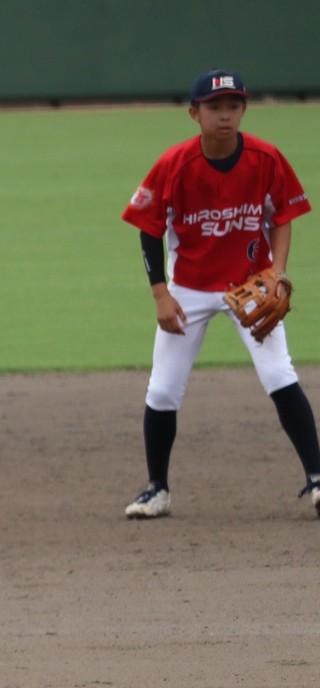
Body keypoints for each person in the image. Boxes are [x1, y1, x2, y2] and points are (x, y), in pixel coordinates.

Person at [121, 68, 320, 519]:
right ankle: (158, 489)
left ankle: (317, 478)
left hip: (251, 286)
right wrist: (160, 295)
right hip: (188, 289)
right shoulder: (174, 164)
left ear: (244, 110)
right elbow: (148, 230)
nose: (225, 115)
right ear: (194, 114)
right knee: (164, 389)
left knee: (279, 375)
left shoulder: (267, 158)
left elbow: (283, 215)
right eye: (214, 108)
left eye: (233, 106)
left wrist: (279, 272)